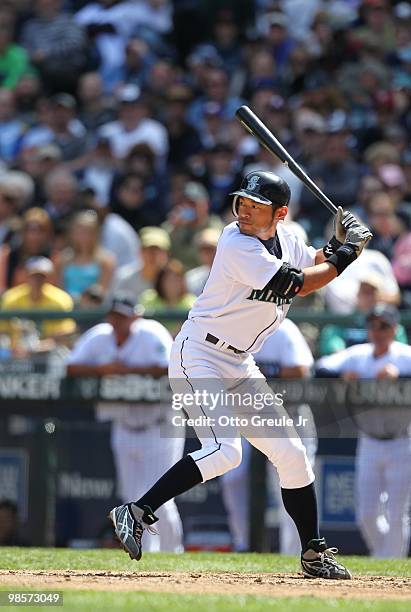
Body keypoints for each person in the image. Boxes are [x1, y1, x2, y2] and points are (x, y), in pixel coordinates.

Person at [109, 170, 372, 578]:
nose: (244, 212)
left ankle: (313, 554)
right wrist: (347, 254)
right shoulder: (235, 242)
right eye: (242, 203)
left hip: (239, 363)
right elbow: (298, 284)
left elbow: (315, 262)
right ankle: (136, 512)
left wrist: (339, 244)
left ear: (280, 213)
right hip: (199, 354)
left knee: (293, 455)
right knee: (225, 452)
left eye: (256, 206)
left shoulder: (286, 240)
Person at [67, 293, 184, 553]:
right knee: (131, 498)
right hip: (124, 425)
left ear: (136, 316)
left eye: (124, 316)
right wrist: (101, 370)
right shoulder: (99, 336)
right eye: (115, 316)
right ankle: (147, 554)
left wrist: (126, 370)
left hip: (161, 423)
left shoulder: (152, 333)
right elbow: (71, 367)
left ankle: (173, 554)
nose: (118, 322)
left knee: (162, 499)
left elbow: (170, 368)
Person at [316, 304, 411, 558]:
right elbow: (321, 367)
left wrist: (400, 376)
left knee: (397, 511)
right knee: (366, 514)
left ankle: (391, 563)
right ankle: (383, 557)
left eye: (383, 326)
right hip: (369, 440)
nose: (377, 331)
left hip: (402, 440)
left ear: (394, 329)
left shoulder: (404, 356)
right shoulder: (359, 355)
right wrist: (342, 376)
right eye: (372, 326)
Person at [220, 318, 316, 554]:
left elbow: (300, 370)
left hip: (290, 415)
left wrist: (258, 374)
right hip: (249, 415)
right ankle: (242, 544)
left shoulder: (284, 329)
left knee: (292, 482)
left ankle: (295, 552)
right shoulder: (239, 326)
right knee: (233, 478)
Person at [1, 256, 75, 353]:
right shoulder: (11, 297)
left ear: (50, 278)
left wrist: (43, 345)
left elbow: (67, 331)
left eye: (42, 277)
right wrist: (14, 348)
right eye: (33, 276)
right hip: (16, 354)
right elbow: (2, 331)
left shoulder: (61, 299)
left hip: (50, 352)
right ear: (26, 275)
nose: (37, 281)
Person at [58, 210, 114, 302]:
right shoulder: (63, 259)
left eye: (88, 232)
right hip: (68, 310)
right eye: (80, 232)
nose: (84, 236)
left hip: (93, 311)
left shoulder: (106, 260)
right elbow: (59, 289)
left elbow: (104, 291)